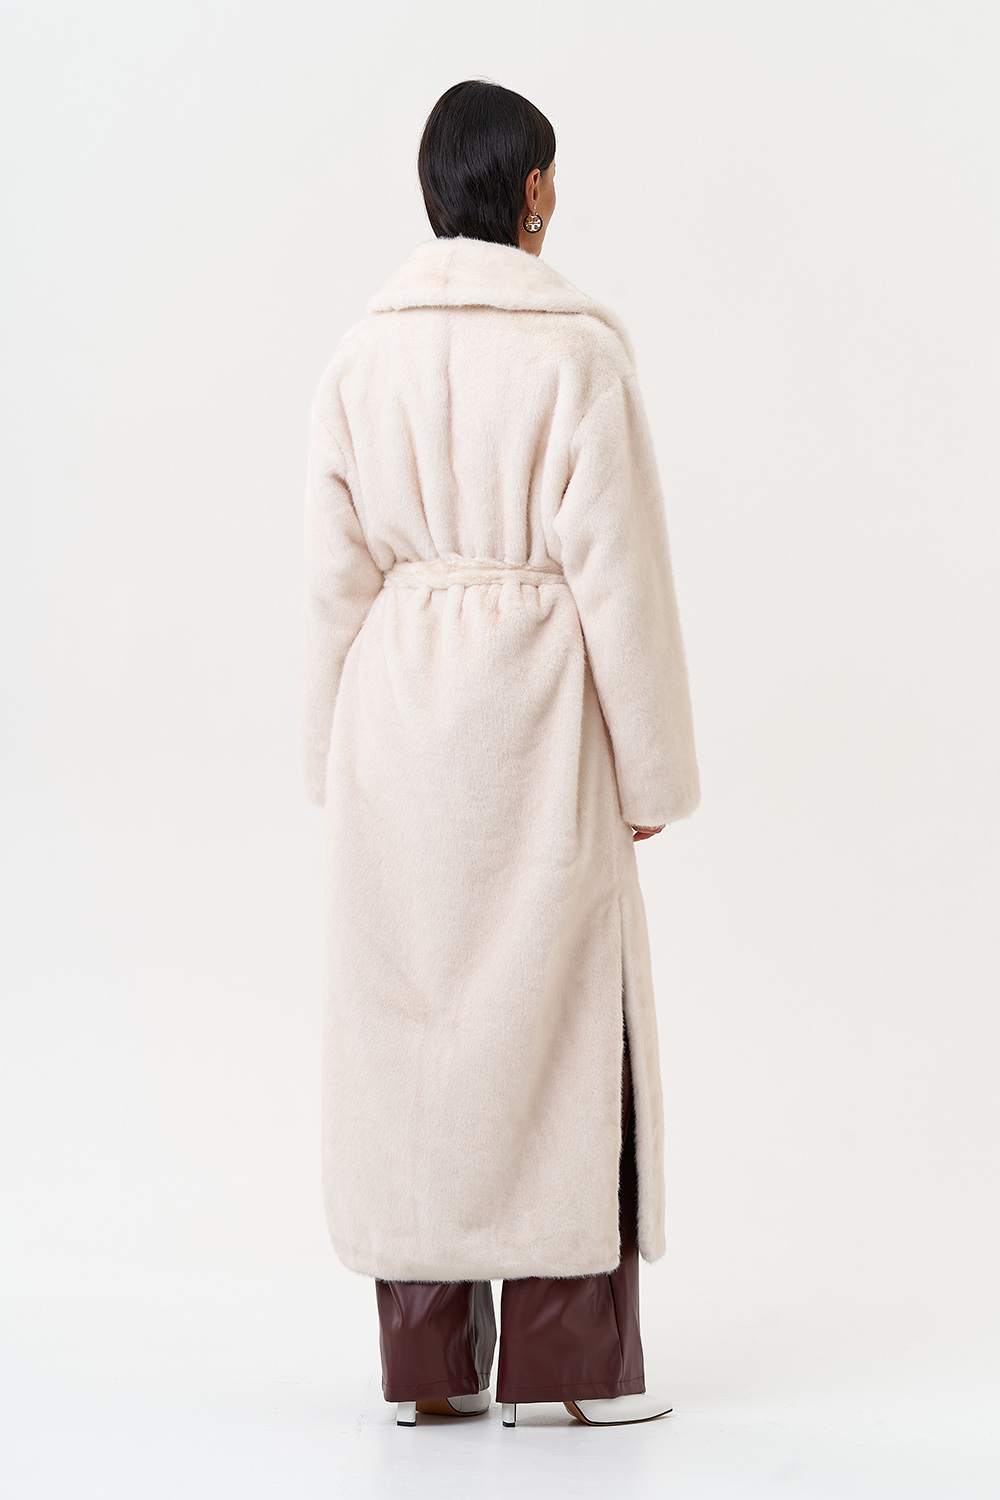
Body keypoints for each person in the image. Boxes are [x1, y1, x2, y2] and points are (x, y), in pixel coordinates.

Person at [300, 79, 700, 1429]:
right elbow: (621, 577)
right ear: (529, 189)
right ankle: (568, 1372)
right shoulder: (574, 353)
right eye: (551, 177)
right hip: (536, 709)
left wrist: (328, 756)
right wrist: (652, 773)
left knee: (413, 1034)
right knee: (562, 1019)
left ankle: (427, 1371)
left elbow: (331, 580)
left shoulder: (362, 356)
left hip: (395, 713)